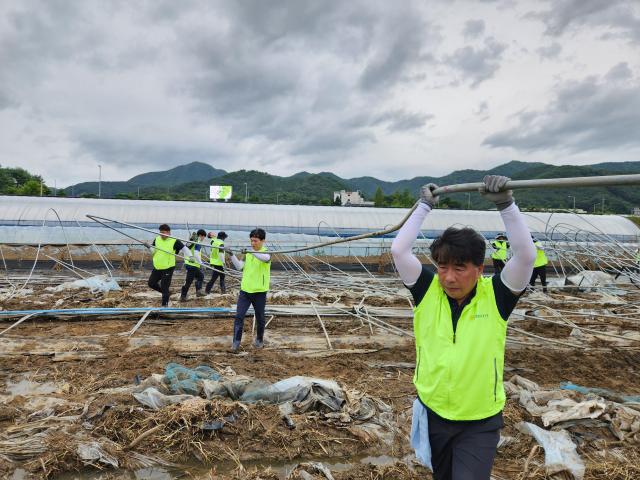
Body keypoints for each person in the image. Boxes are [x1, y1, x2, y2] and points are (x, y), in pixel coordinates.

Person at [391, 175, 536, 480]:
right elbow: (399, 251)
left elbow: (525, 256)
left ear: (478, 269)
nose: (449, 277)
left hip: (479, 421)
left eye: (459, 268)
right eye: (442, 267)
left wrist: (506, 204)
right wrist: (424, 206)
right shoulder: (426, 291)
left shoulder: (496, 296)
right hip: (434, 414)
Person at [229, 228, 271, 352]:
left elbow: (265, 258)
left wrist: (250, 252)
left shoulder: (267, 253)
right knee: (239, 316)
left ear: (263, 241)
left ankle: (259, 340)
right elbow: (239, 267)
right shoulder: (248, 253)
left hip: (259, 292)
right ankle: (236, 343)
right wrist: (231, 255)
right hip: (245, 291)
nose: (253, 243)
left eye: (256, 241)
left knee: (260, 317)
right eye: (251, 241)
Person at [146, 224, 195, 307]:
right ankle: (167, 294)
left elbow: (185, 249)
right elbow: (153, 252)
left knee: (165, 286)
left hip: (168, 267)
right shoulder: (157, 239)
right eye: (160, 233)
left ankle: (164, 306)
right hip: (158, 266)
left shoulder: (174, 241)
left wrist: (190, 256)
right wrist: (149, 247)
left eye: (163, 233)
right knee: (151, 283)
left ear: (169, 232)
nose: (162, 235)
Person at [180, 229, 207, 301]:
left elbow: (185, 249)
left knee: (200, 276)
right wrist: (201, 263)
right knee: (188, 281)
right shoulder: (197, 242)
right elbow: (196, 254)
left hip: (189, 263)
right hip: (193, 264)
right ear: (201, 235)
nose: (203, 239)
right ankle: (183, 296)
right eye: (203, 237)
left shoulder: (190, 242)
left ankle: (198, 291)